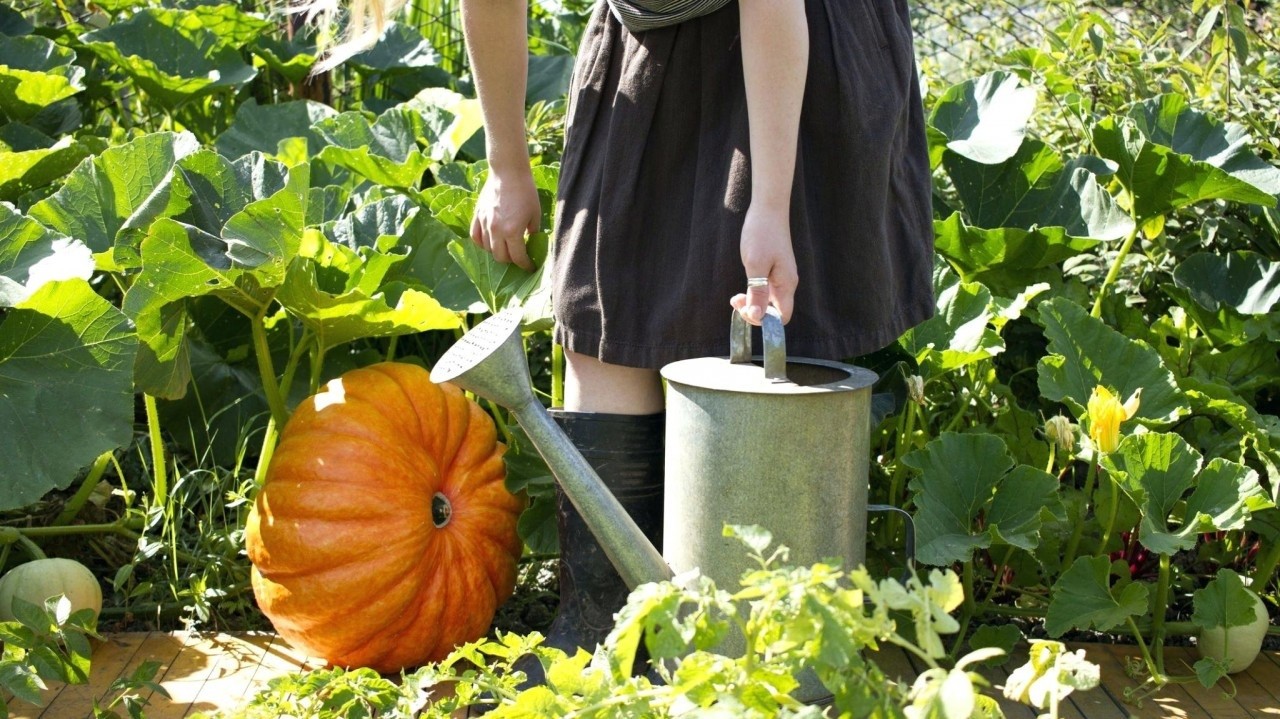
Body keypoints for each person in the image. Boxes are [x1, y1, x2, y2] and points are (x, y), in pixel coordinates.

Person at [309, 0, 935, 681]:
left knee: (776, 312)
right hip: (652, 39)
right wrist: (507, 163)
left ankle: (778, 652)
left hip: (796, 51)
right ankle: (604, 625)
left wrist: (770, 205)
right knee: (605, 311)